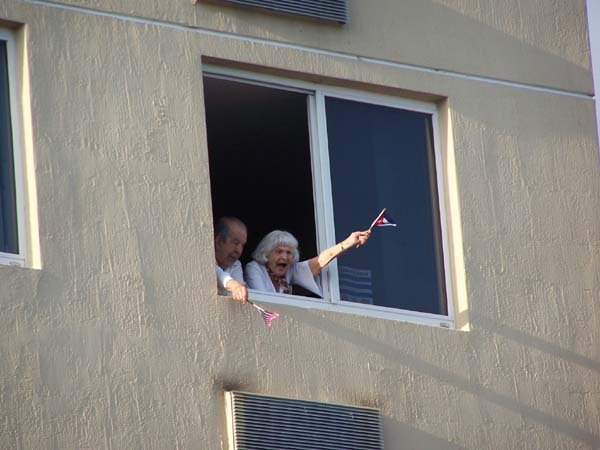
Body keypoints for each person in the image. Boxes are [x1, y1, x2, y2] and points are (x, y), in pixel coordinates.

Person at [245, 229, 370, 296]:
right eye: (279, 251)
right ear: (266, 254)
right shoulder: (254, 268)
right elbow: (265, 301)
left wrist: (348, 242)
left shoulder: (291, 271)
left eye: (289, 253)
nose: (285, 256)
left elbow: (321, 260)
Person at [214, 216, 248, 303]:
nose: (239, 251)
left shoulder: (236, 264)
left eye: (242, 245)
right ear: (219, 242)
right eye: (235, 243)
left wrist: (238, 287)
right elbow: (216, 273)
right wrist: (234, 286)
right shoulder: (205, 259)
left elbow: (240, 288)